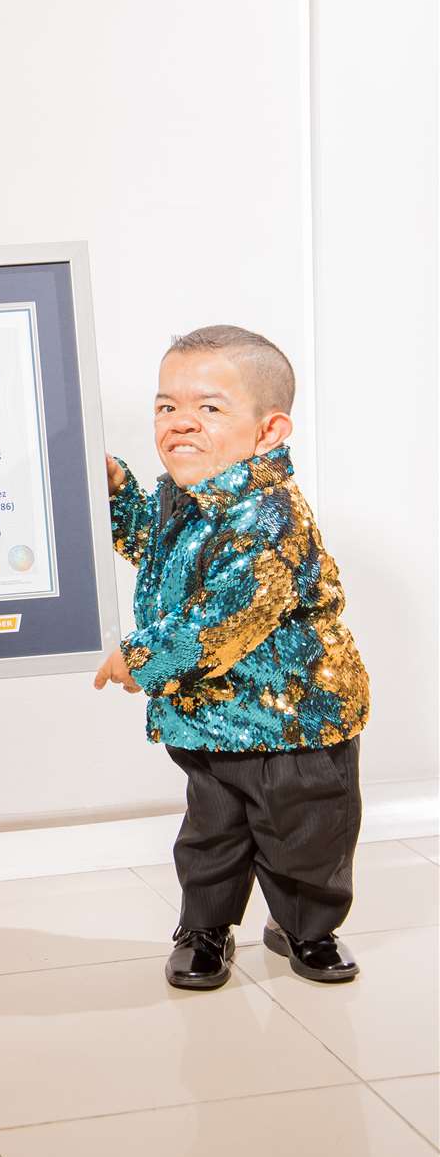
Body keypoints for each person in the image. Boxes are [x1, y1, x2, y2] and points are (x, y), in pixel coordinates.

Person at [94, 325, 369, 990]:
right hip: (211, 721)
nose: (180, 424)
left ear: (268, 431)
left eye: (208, 408)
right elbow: (149, 548)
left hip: (298, 722)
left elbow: (228, 618)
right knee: (210, 838)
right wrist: (115, 493)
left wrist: (142, 656)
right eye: (167, 407)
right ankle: (205, 929)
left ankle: (306, 927)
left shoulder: (273, 516)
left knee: (306, 835)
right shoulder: (180, 499)